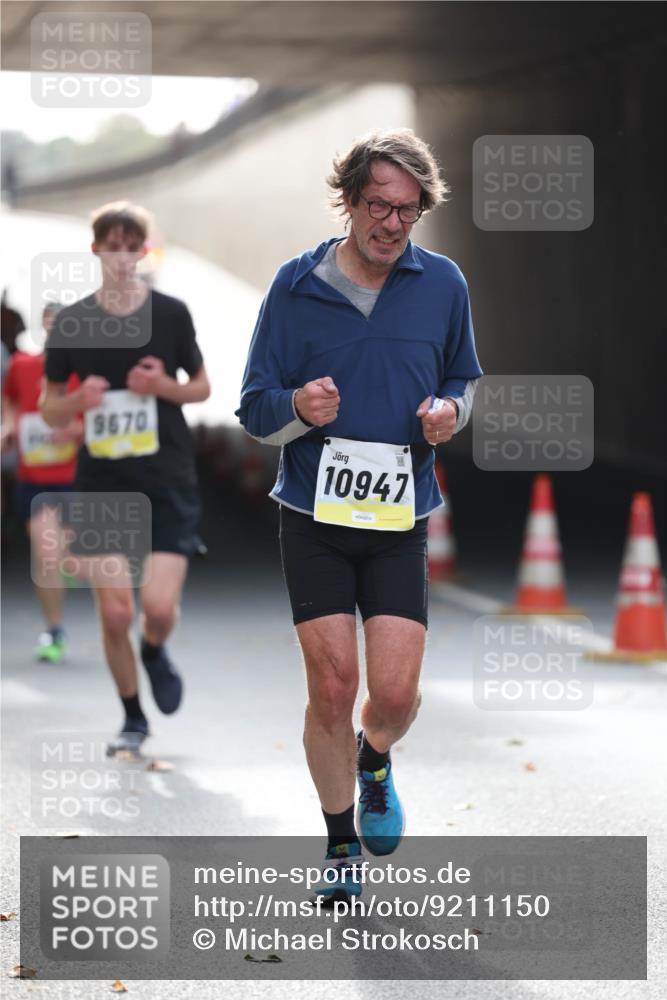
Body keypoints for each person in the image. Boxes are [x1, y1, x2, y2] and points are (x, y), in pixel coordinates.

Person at [237, 129, 482, 901]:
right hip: (314, 513)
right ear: (347, 200)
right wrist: (298, 407)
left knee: (396, 695)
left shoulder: (442, 283)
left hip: (398, 517)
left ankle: (373, 758)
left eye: (407, 210)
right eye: (378, 205)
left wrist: (449, 413)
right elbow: (253, 408)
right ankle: (339, 843)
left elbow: (463, 382)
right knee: (334, 684)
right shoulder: (296, 284)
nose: (391, 224)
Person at [40, 202, 210, 754]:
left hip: (167, 477)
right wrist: (76, 401)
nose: (121, 256)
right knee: (115, 611)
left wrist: (163, 387)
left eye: (131, 246)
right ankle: (133, 716)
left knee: (156, 609)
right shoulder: (71, 322)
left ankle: (154, 649)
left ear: (143, 251)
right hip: (103, 481)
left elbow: (202, 387)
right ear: (96, 250)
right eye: (111, 246)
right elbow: (48, 409)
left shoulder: (171, 314)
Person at [2, 303, 81, 662]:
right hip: (35, 481)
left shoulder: (84, 372)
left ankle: (72, 565)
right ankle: (54, 629)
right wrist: (8, 425)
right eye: (51, 325)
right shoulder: (22, 366)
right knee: (47, 555)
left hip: (75, 480)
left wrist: (74, 430)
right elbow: (9, 401)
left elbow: (99, 420)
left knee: (65, 558)